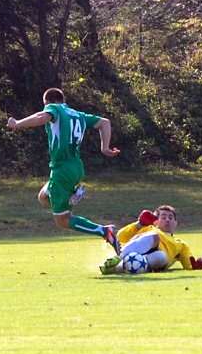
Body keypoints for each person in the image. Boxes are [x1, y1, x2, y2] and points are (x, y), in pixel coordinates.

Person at [7, 87, 121, 253]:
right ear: (63, 100)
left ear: (47, 102)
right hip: (75, 167)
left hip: (62, 169)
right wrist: (105, 148)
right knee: (43, 197)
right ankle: (72, 196)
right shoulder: (78, 114)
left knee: (62, 221)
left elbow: (41, 117)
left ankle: (104, 231)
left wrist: (17, 124)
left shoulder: (55, 109)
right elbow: (105, 123)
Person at [100, 205, 202, 274]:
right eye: (163, 217)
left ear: (176, 223)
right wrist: (139, 224)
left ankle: (117, 268)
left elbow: (188, 265)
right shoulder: (147, 227)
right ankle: (118, 260)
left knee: (161, 257)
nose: (167, 220)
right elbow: (120, 236)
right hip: (136, 249)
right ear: (156, 222)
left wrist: (197, 266)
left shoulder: (181, 244)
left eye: (170, 218)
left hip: (154, 262)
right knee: (154, 237)